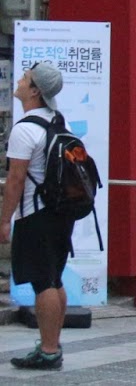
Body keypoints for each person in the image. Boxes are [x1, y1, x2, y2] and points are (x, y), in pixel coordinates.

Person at [1, 62, 71, 370]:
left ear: (35, 91)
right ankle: (52, 343)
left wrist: (4, 219)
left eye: (25, 78)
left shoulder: (25, 129)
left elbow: (15, 180)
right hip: (60, 213)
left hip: (35, 215)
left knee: (43, 282)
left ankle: (48, 350)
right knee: (54, 279)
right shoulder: (56, 120)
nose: (18, 80)